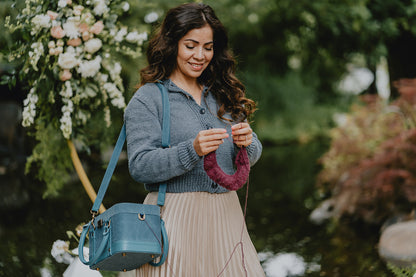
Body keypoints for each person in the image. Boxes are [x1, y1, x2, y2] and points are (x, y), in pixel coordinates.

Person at [123, 3, 265, 276]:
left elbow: (250, 157)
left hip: (228, 220)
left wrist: (249, 143)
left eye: (208, 47)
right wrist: (192, 150)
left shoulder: (223, 94)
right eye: (191, 45)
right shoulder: (148, 99)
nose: (200, 55)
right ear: (172, 44)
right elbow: (139, 165)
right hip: (174, 222)